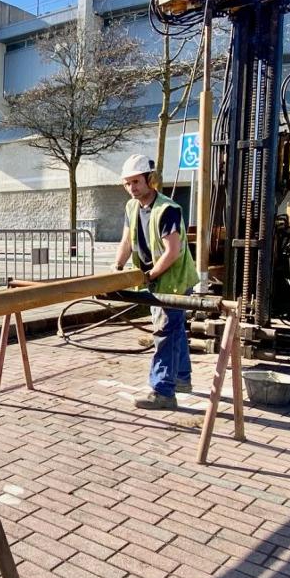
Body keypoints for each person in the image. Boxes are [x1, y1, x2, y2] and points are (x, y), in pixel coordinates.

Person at [112, 153, 199, 410]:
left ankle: (163, 391)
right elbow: (127, 242)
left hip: (173, 280)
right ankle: (182, 379)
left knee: (164, 333)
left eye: (136, 182)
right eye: (127, 183)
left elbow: (172, 252)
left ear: (150, 180)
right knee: (175, 330)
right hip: (154, 279)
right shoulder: (132, 207)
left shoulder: (168, 209)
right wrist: (116, 269)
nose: (132, 188)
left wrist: (148, 276)